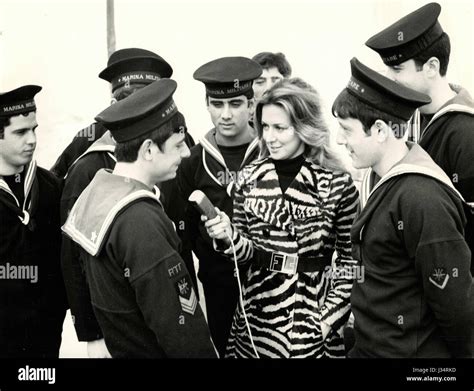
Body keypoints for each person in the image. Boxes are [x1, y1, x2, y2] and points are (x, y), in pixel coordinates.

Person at [204, 78, 359, 358]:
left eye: (280, 128)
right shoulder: (248, 179)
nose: (269, 137)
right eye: (264, 127)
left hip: (311, 319)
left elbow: (351, 265)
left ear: (304, 127)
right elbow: (245, 255)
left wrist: (325, 323)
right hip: (257, 321)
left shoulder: (338, 185)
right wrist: (228, 236)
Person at [62, 79, 216, 358]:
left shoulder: (99, 192)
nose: (185, 153)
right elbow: (181, 329)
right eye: (178, 144)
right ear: (147, 150)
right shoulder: (141, 222)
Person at [332, 57, 473, 358]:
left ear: (381, 130)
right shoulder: (381, 181)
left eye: (346, 129)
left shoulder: (422, 198)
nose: (339, 140)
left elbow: (456, 307)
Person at [365, 2, 474, 273]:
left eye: (398, 69)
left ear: (431, 67)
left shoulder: (465, 132)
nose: (389, 79)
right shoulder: (407, 118)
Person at [177, 56, 262, 356]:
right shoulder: (191, 161)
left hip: (270, 282)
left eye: (236, 104)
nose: (225, 114)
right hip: (218, 286)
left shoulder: (272, 150)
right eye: (217, 104)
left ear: (251, 105)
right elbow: (182, 237)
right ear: (207, 105)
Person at [0, 85, 68, 357]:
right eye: (20, 132)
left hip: (45, 333)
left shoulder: (51, 188)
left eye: (34, 129)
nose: (32, 140)